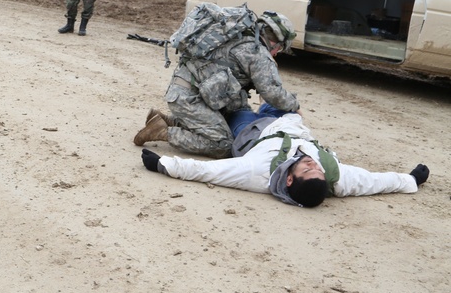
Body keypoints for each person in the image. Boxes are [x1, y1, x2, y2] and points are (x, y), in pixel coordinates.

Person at [139, 111, 429, 208]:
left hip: (251, 129)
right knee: (283, 102)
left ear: (289, 179)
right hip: (290, 121)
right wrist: (411, 179)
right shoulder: (336, 177)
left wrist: (162, 164)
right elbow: (374, 181)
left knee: (232, 108)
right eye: (316, 169)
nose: (314, 165)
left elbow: (207, 171)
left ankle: (170, 122)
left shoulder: (257, 173)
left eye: (307, 169)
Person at [134, 10, 301, 158]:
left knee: (232, 116)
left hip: (182, 92)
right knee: (224, 145)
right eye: (279, 50)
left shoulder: (236, 34)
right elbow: (273, 94)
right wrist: (294, 105)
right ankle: (163, 132)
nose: (276, 54)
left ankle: (166, 120)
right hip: (191, 100)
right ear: (276, 44)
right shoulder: (258, 53)